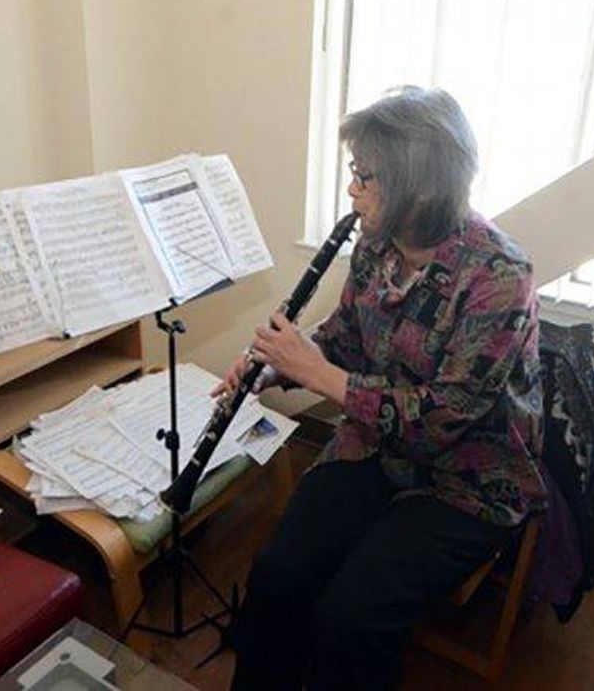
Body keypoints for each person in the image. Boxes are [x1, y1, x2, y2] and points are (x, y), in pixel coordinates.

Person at [215, 86, 548, 691]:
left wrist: (317, 373)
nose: (352, 189)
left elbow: (443, 419)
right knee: (278, 572)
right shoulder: (375, 245)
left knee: (354, 617)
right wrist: (275, 366)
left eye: (366, 176)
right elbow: (343, 336)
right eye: (354, 172)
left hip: (467, 479)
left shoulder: (501, 277)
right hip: (375, 444)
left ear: (419, 187)